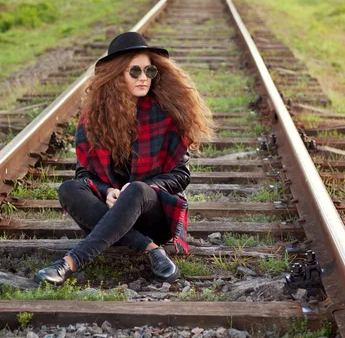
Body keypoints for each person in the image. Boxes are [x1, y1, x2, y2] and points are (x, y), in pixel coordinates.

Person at [34, 32, 214, 286]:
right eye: (135, 71)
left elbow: (181, 176)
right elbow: (83, 174)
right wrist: (107, 191)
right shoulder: (94, 118)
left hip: (153, 213)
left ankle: (69, 263)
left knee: (137, 190)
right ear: (117, 75)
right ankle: (149, 249)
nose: (143, 77)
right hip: (107, 211)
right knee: (68, 189)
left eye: (149, 71)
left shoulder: (167, 114)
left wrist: (144, 188)